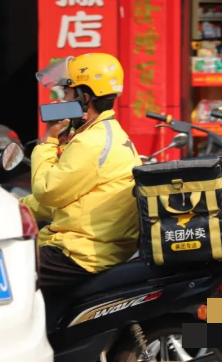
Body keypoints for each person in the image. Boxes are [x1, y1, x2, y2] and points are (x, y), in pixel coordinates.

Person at [21, 53, 142, 298]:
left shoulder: (91, 142)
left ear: (84, 98)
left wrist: (48, 140)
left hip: (80, 252)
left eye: (66, 94)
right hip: (98, 245)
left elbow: (47, 192)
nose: (61, 100)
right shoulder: (107, 132)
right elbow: (66, 198)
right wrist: (17, 209)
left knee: (1, 272)